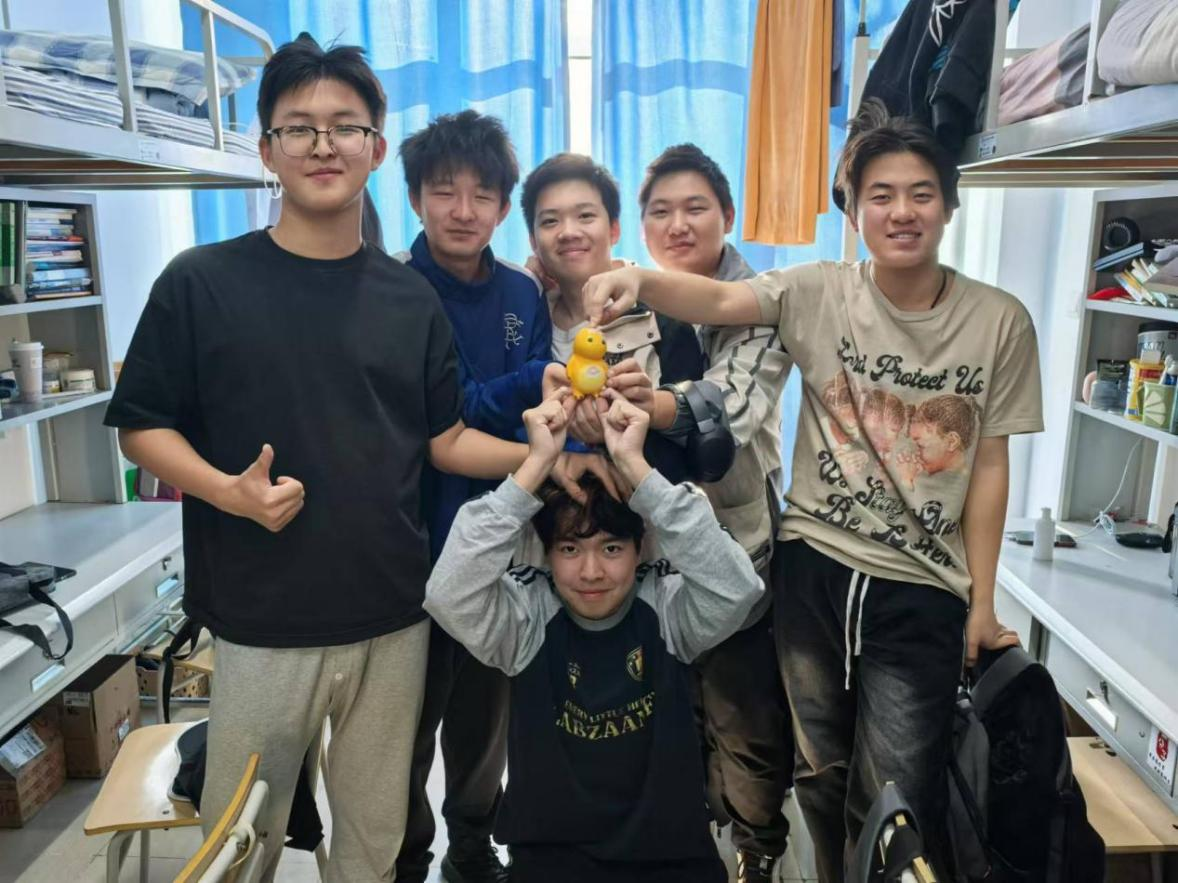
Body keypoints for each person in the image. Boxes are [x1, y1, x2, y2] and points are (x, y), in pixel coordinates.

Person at [105, 36, 546, 883]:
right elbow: (141, 427)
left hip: (395, 614)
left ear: (375, 149)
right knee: (241, 840)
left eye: (345, 126)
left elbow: (445, 438)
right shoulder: (200, 282)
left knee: (373, 841)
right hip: (263, 619)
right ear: (266, 149)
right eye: (298, 127)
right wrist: (226, 492)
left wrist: (546, 456)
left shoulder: (408, 296)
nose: (322, 145)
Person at [583, 100, 1042, 880]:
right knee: (820, 774)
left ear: (949, 206)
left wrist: (984, 599)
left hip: (921, 583)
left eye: (921, 194)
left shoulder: (999, 322)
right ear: (854, 213)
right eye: (881, 195)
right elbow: (719, 300)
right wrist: (633, 276)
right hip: (816, 564)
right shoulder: (816, 290)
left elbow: (990, 465)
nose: (901, 211)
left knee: (898, 791)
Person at [424, 388, 763, 883]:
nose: (591, 572)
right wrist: (536, 465)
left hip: (672, 858)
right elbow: (447, 592)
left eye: (611, 548)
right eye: (569, 548)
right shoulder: (527, 619)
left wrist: (636, 469)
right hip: (550, 860)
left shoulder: (667, 611)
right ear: (548, 553)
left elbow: (737, 588)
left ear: (639, 549)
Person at [394, 109, 571, 883]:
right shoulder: (392, 291)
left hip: (501, 539)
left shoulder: (521, 294)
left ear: (503, 206)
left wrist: (521, 403)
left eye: (482, 194)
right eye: (443, 191)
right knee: (404, 723)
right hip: (409, 539)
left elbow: (533, 408)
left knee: (484, 714)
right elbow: (440, 415)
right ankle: (404, 857)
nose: (462, 210)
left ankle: (470, 846)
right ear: (415, 198)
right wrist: (525, 387)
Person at [637, 143, 795, 883]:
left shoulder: (760, 300)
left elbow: (728, 416)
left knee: (744, 714)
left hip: (737, 540)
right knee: (671, 708)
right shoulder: (632, 298)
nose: (678, 224)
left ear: (726, 215)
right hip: (648, 546)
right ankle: (688, 839)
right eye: (660, 211)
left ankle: (758, 850)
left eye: (695, 207)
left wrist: (638, 404)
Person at [520, 153, 706, 484]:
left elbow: (692, 442)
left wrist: (624, 423)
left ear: (614, 229)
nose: (568, 232)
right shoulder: (524, 322)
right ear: (533, 241)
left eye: (585, 216)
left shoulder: (663, 321)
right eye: (550, 221)